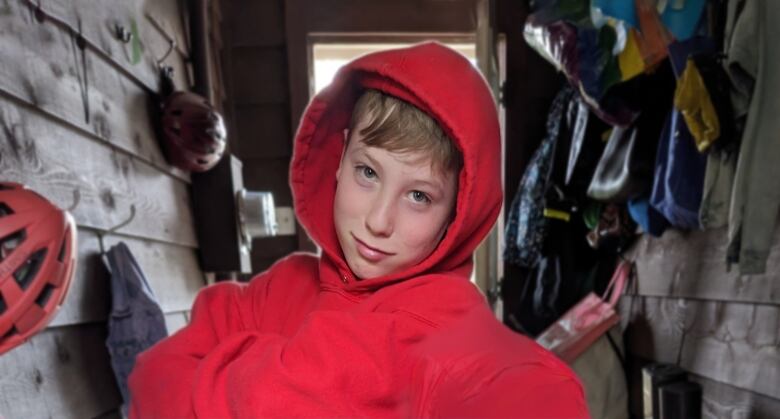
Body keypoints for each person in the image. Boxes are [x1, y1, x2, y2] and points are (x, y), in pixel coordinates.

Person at [128, 42, 588, 418]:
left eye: (419, 197)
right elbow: (152, 378)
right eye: (367, 173)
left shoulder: (444, 328)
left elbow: (542, 393)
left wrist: (242, 367)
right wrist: (286, 382)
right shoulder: (282, 286)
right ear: (341, 156)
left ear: (458, 214)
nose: (377, 221)